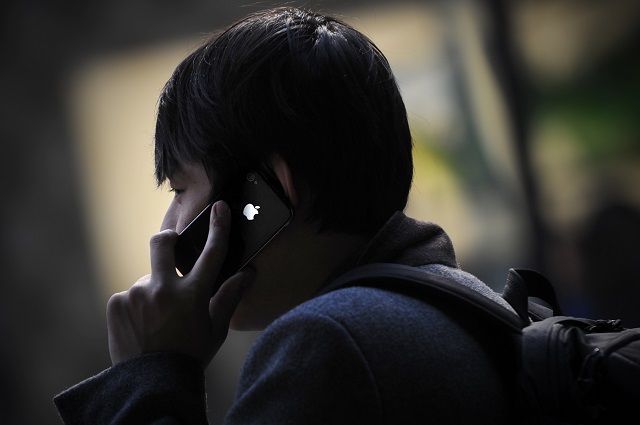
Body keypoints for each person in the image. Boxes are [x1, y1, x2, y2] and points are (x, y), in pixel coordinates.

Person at [54, 7, 519, 424]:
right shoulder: (457, 304)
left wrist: (146, 376)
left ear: (268, 189)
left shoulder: (329, 345)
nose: (168, 232)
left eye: (179, 189)